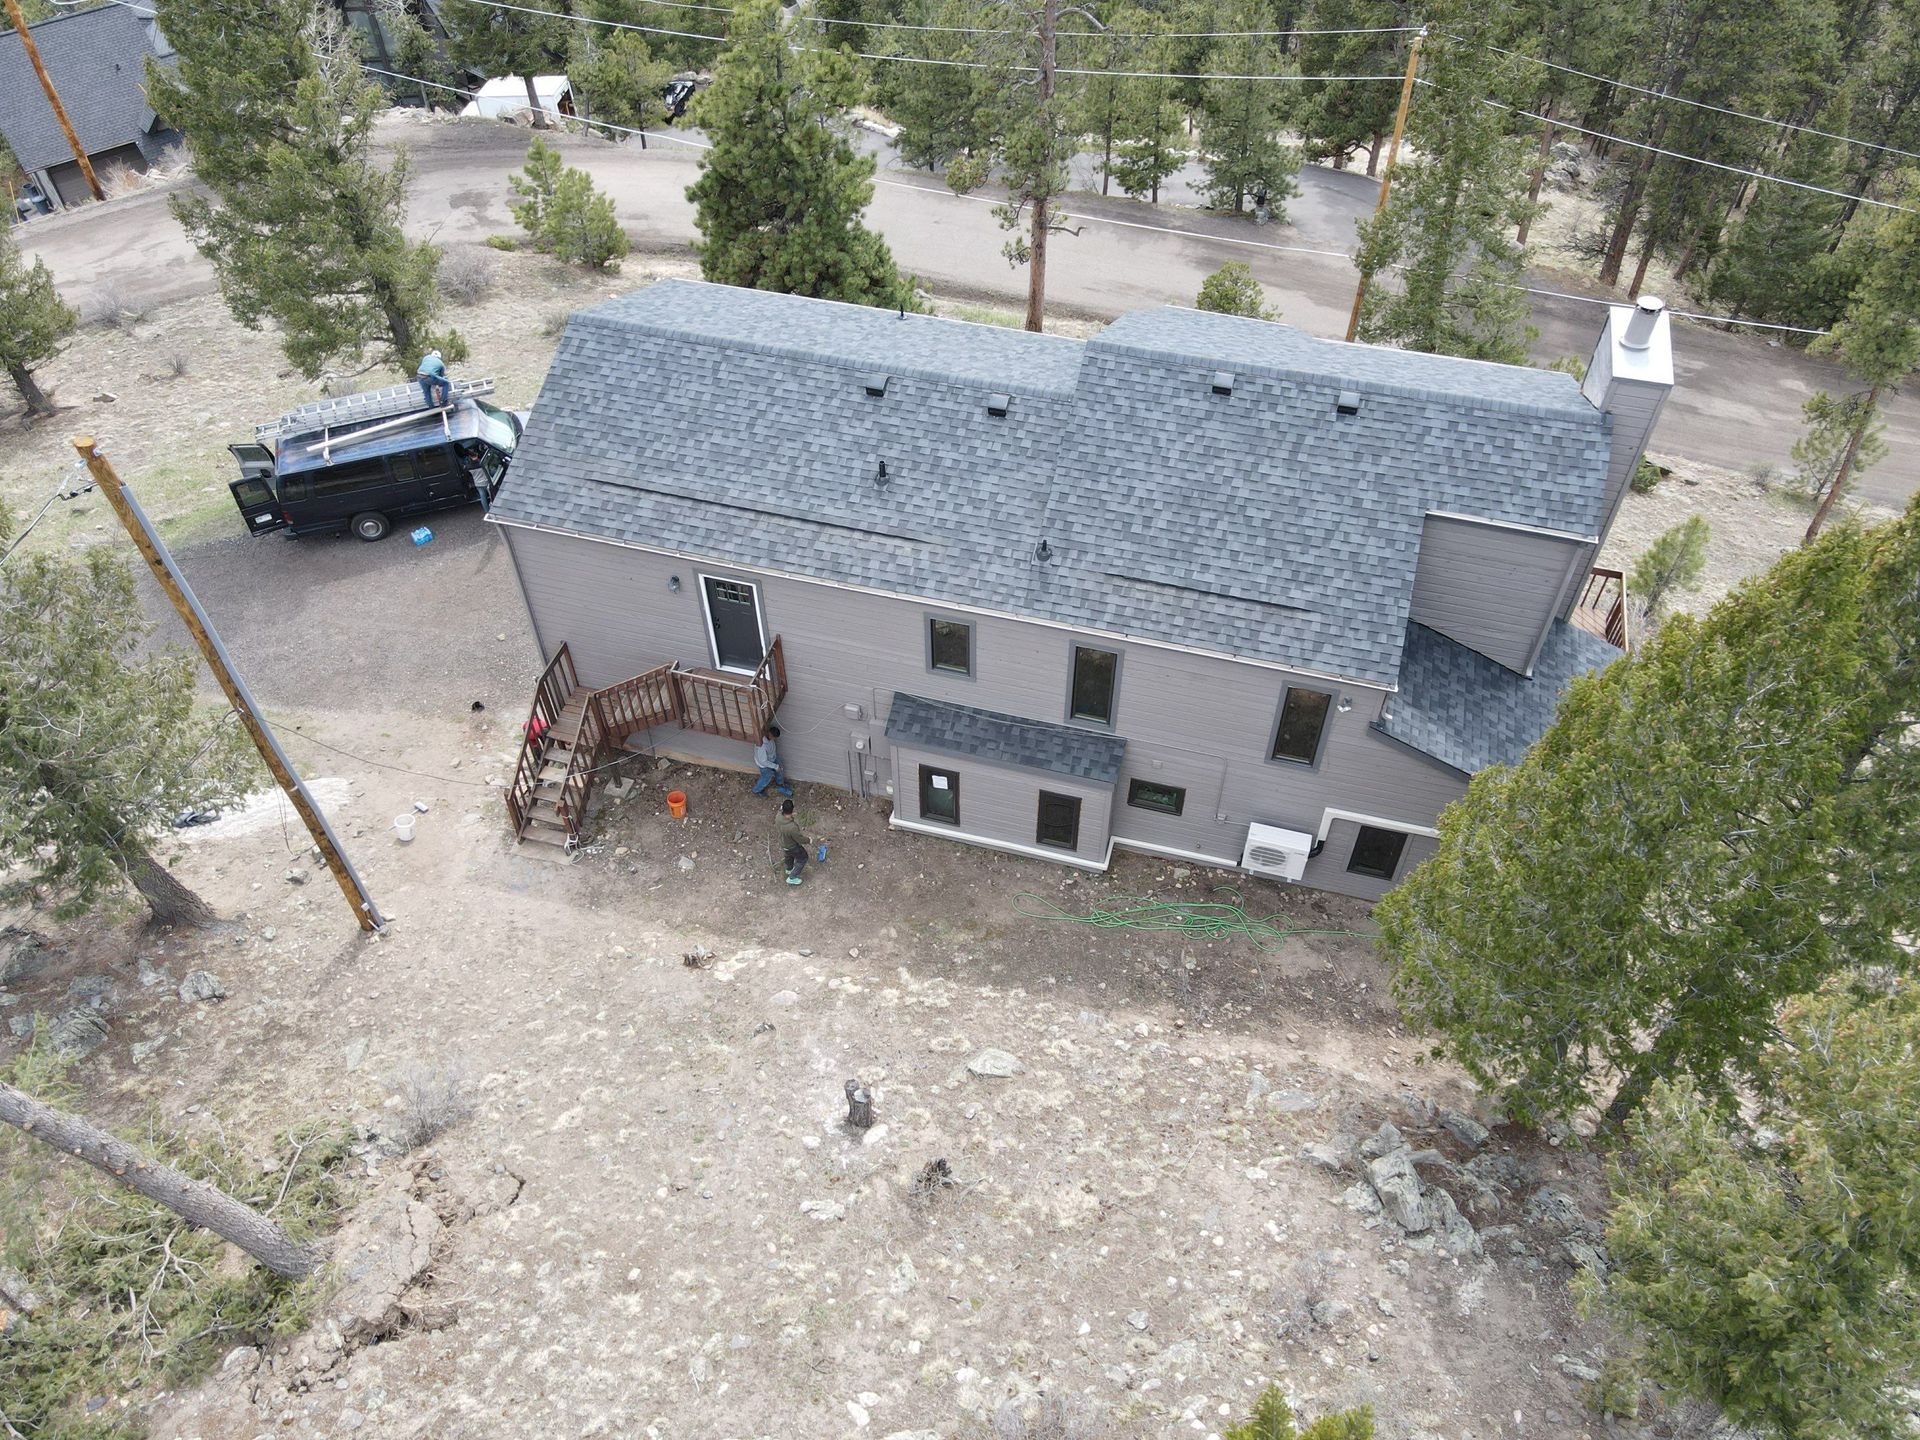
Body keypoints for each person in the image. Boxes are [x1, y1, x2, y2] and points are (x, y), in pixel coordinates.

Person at [751, 724, 793, 797]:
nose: (775, 739)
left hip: (772, 757)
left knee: (780, 768)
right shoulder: (762, 746)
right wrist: (775, 766)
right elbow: (763, 761)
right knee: (766, 777)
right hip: (764, 764)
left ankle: (780, 783)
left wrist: (776, 766)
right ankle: (757, 790)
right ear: (770, 734)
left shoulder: (769, 738)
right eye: (774, 738)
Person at [776, 798, 809, 886]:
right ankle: (792, 877)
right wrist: (809, 840)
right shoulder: (791, 827)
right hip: (792, 846)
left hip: (783, 843)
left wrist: (790, 813)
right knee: (803, 858)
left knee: (788, 855)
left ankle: (789, 869)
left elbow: (781, 809)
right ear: (792, 810)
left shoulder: (778, 816)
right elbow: (799, 839)